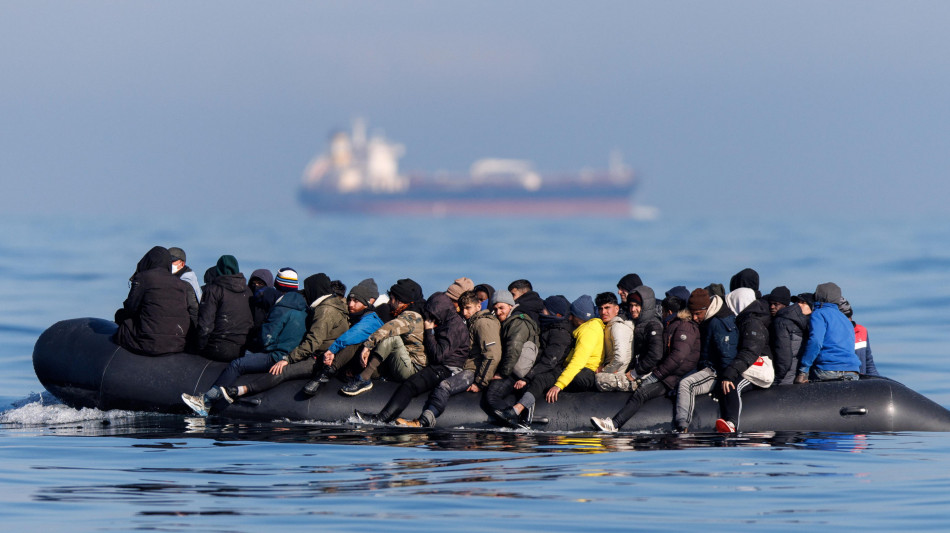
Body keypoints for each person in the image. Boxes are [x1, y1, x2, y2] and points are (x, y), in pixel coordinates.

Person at [181, 269, 307, 416]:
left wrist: (253, 345)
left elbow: (266, 339)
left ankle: (206, 401)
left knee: (237, 364)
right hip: (292, 356)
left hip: (276, 355)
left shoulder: (280, 308)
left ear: (277, 285)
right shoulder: (304, 308)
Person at [591, 290, 701, 432]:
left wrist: (650, 375)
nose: (633, 309)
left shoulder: (678, 326)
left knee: (641, 393)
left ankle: (614, 424)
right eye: (631, 305)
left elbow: (674, 357)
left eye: (637, 305)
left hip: (671, 378)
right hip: (665, 374)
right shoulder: (668, 325)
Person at [355, 292, 469, 424]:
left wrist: (428, 331)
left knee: (410, 386)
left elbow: (438, 356)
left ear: (441, 311)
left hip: (447, 369)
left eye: (432, 314)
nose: (430, 318)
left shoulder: (454, 327)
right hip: (441, 365)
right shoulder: (448, 321)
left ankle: (382, 418)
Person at [232, 273, 349, 398]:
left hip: (320, 358)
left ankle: (244, 390)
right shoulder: (337, 305)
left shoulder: (325, 310)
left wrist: (288, 359)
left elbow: (313, 342)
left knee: (282, 371)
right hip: (330, 355)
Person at [395, 291, 500, 427]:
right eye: (462, 308)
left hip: (472, 371)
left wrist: (480, 383)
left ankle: (424, 421)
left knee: (445, 386)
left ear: (478, 306)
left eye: (468, 308)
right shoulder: (470, 323)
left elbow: (492, 355)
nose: (464, 312)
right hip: (464, 368)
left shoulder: (483, 323)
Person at [490, 295, 573, 428]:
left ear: (555, 314)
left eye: (545, 310)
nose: (542, 312)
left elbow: (550, 361)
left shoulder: (560, 333)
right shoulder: (549, 329)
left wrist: (527, 377)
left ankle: (520, 414)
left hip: (554, 370)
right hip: (541, 367)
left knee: (538, 380)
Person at [340, 278, 426, 395]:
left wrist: (368, 346)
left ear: (400, 301)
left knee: (391, 338)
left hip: (412, 369)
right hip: (402, 362)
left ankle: (364, 378)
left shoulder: (412, 316)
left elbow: (389, 328)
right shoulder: (412, 313)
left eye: (391, 299)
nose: (389, 303)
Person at [302, 278, 383, 395]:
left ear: (366, 304)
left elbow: (353, 334)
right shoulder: (352, 317)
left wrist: (332, 350)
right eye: (350, 300)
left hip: (372, 368)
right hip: (353, 364)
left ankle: (324, 375)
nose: (351, 304)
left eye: (356, 301)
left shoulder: (372, 320)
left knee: (356, 342)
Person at [673, 287, 737, 432]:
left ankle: (682, 427)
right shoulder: (710, 319)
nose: (695, 318)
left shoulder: (719, 323)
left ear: (707, 308)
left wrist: (726, 378)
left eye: (698, 314)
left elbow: (727, 355)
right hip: (708, 366)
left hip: (717, 372)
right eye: (693, 314)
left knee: (686, 385)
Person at [114, 246, 193, 356]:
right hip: (177, 343)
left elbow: (130, 308)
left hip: (149, 343)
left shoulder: (143, 277)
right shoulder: (181, 284)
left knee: (120, 316)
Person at [715, 287, 773, 433]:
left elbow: (750, 351)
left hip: (758, 369)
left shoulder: (752, 323)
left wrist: (730, 372)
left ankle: (732, 423)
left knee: (733, 385)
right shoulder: (744, 320)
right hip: (748, 366)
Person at [483, 289, 540, 425]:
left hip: (516, 370)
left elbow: (513, 349)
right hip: (514, 369)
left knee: (492, 396)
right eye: (495, 309)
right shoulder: (509, 321)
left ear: (510, 306)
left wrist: (502, 373)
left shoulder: (517, 322)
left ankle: (514, 422)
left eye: (501, 308)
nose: (498, 312)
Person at [795, 282, 860, 383]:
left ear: (817, 296)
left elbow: (816, 341)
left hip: (827, 369)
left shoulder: (819, 314)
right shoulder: (845, 319)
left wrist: (803, 370)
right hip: (852, 371)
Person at [195, 255, 254, 362]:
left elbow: (205, 326)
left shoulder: (213, 290)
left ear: (219, 269)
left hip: (219, 348)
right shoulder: (248, 291)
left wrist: (199, 348)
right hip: (242, 349)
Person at [593, 292, 634, 391]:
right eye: (600, 308)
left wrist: (604, 371)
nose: (603, 312)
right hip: (615, 373)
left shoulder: (618, 327)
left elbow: (620, 358)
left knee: (596, 379)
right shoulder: (610, 326)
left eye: (607, 308)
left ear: (616, 309)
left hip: (619, 375)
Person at [771, 292, 813, 385]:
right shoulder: (784, 321)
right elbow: (783, 355)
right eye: (798, 301)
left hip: (796, 377)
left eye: (803, 302)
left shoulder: (809, 324)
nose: (798, 304)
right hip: (786, 377)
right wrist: (778, 378)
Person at [839, 300, 880, 377]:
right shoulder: (831, 336)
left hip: (860, 383)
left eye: (849, 317)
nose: (848, 324)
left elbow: (869, 364)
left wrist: (879, 382)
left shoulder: (862, 331)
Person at [246, 268, 279, 353]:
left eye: (260, 283)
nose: (256, 286)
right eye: (253, 284)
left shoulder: (274, 304)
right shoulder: (246, 300)